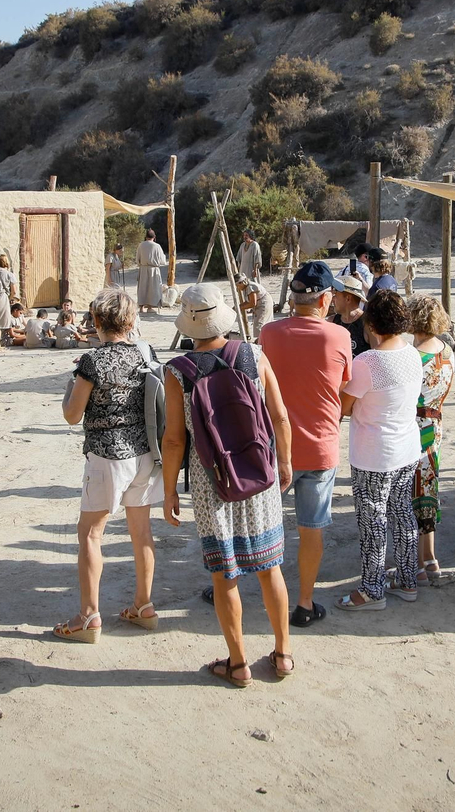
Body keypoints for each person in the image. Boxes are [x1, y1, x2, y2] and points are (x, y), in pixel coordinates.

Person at [162, 284, 294, 687]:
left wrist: (169, 490)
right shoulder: (254, 355)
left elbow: (174, 440)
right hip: (258, 472)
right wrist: (285, 461)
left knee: (225, 575)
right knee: (270, 568)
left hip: (211, 482)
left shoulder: (177, 372)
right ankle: (283, 655)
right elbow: (280, 416)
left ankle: (238, 665)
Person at [53, 288, 161, 642]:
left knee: (90, 533)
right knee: (141, 532)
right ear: (131, 321)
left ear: (97, 321)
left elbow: (72, 415)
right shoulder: (145, 352)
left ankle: (88, 616)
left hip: (107, 454)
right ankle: (143, 605)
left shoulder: (92, 362)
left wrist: (70, 385)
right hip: (144, 452)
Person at [258, 261, 352, 627]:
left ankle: (239, 584)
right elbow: (342, 385)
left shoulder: (269, 333)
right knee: (312, 529)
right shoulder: (339, 337)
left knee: (260, 522)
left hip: (274, 446)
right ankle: (304, 602)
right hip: (320, 446)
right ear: (325, 299)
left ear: (294, 299)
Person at [336, 290, 422, 611]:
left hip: (374, 453)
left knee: (373, 520)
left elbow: (344, 407)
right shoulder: (412, 353)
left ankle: (372, 590)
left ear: (371, 323)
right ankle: (408, 579)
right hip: (406, 447)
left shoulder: (368, 362)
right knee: (402, 514)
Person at [407, 294, 455, 584]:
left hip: (413, 426)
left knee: (411, 491)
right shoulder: (446, 352)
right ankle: (430, 557)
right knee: (428, 486)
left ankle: (418, 562)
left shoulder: (413, 356)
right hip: (435, 424)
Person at [329, 275, 370, 357]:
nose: (332, 299)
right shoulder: (332, 322)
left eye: (335, 295)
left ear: (348, 299)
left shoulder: (367, 324)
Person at [136, 230, 166, 312]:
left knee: (142, 288)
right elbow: (162, 260)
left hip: (143, 269)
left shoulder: (141, 245)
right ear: (154, 237)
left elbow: (137, 259)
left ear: (146, 237)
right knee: (152, 288)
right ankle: (149, 307)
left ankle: (141, 307)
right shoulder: (157, 246)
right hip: (153, 269)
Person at [237, 275, 272, 340]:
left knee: (259, 324)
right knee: (260, 324)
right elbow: (248, 301)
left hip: (264, 303)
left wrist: (240, 307)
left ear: (242, 283)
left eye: (238, 285)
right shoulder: (246, 288)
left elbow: (252, 303)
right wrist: (239, 306)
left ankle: (261, 341)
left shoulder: (251, 287)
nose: (237, 287)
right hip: (259, 303)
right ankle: (263, 340)